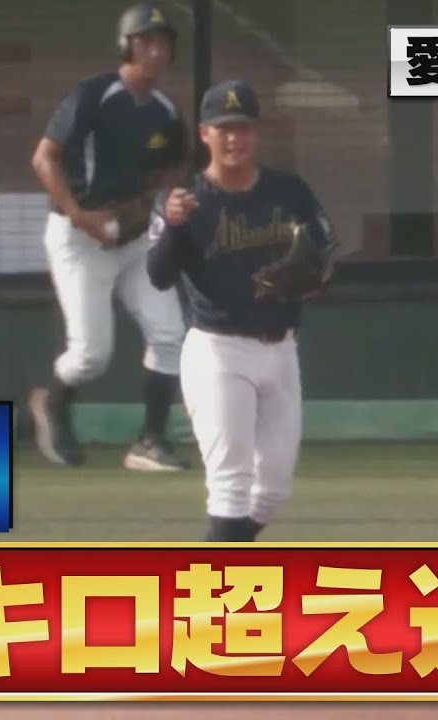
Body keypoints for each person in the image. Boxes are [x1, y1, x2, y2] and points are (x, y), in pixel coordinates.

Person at [146, 80, 337, 542]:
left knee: (272, 492)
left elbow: (323, 254)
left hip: (281, 347)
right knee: (230, 486)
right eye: (224, 128)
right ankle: (218, 586)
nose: (235, 138)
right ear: (204, 133)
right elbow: (158, 275)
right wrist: (173, 227)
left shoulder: (288, 190)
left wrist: (313, 279)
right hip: (219, 351)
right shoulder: (184, 200)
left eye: (243, 127)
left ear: (257, 132)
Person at [27, 2, 191, 472]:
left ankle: (150, 441)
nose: (155, 52)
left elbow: (169, 171)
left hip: (135, 238)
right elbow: (44, 158)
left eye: (163, 43)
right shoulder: (94, 95)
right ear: (126, 46)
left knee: (170, 334)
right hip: (79, 237)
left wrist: (147, 205)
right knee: (92, 355)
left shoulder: (165, 112)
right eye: (145, 42)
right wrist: (82, 216)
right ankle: (52, 402)